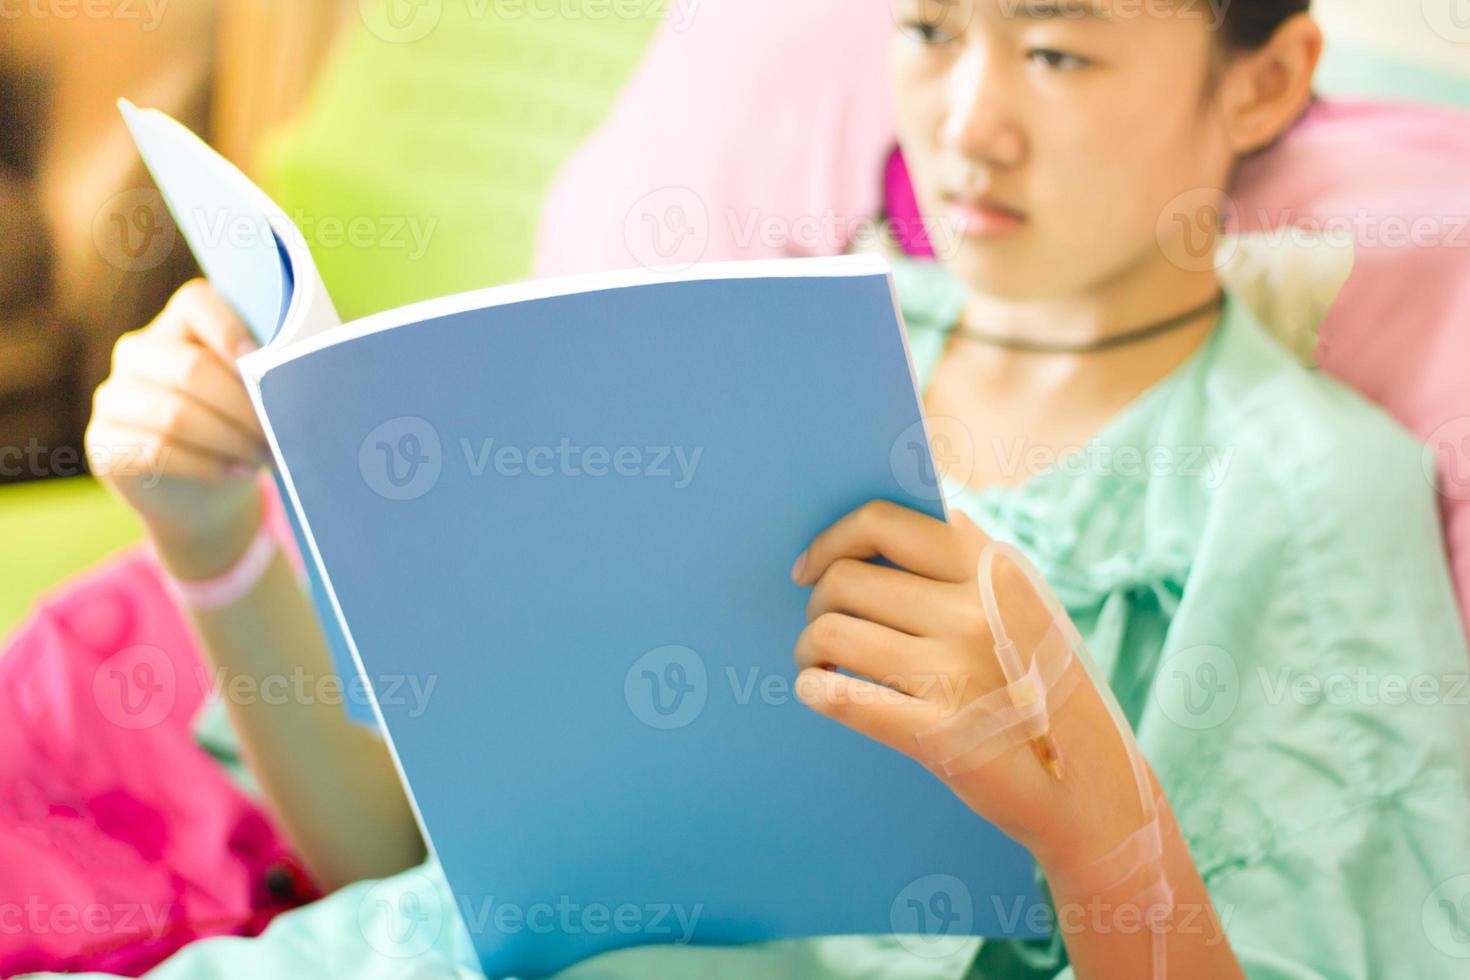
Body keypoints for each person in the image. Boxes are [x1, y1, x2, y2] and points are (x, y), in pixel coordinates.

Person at [79, 1, 1470, 977]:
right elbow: (393, 859)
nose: (967, 128)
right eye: (927, 31)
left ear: (1266, 81)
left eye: (1054, 49)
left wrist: (1089, 809)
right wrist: (209, 541)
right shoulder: (732, 355)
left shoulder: (1298, 485)